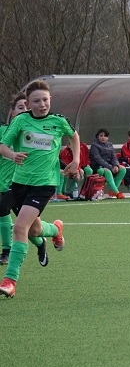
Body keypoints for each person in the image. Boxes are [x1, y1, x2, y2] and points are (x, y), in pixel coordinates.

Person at [0, 81, 76, 297]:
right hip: (19, 183)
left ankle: (10, 281)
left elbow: (74, 136)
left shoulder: (58, 121)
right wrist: (12, 155)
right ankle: (55, 230)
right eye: (36, 101)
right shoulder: (20, 121)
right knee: (34, 230)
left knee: (19, 228)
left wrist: (76, 161)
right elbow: (3, 146)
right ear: (28, 103)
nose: (42, 104)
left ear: (50, 99)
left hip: (44, 185)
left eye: (45, 100)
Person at [0, 92, 63, 268]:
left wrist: (68, 166)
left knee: (23, 224)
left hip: (25, 185)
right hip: (5, 185)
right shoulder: (5, 132)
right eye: (20, 108)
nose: (25, 110)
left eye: (26, 107)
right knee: (26, 226)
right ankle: (28, 245)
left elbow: (46, 154)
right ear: (13, 112)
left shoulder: (35, 130)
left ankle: (12, 250)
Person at [89, 128, 126, 199]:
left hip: (109, 165)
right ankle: (117, 192)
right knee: (108, 171)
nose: (103, 137)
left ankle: (112, 191)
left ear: (108, 137)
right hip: (97, 166)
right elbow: (98, 159)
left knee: (123, 169)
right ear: (97, 137)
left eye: (105, 136)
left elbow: (114, 157)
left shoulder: (110, 145)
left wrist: (116, 165)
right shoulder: (94, 145)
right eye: (101, 136)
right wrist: (110, 167)